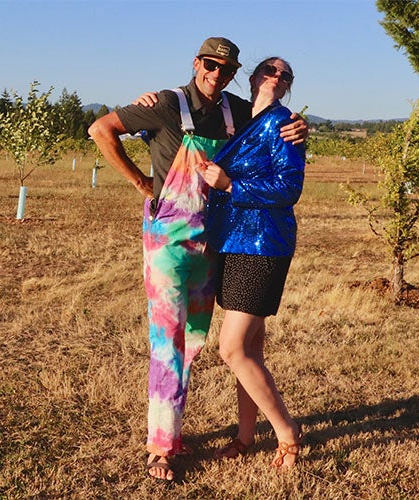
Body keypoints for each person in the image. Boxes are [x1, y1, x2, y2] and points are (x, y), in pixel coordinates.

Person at [87, 37, 307, 482]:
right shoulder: (166, 102)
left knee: (203, 342)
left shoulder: (237, 111)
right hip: (169, 242)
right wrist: (139, 181)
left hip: (217, 244)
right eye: (210, 65)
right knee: (167, 342)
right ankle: (162, 447)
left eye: (226, 70)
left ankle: (245, 435)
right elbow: (100, 130)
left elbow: (273, 127)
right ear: (196, 62)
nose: (216, 74)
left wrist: (302, 128)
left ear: (235, 75)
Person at [200, 57, 305, 468]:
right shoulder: (237, 117)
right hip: (231, 239)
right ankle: (245, 435)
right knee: (250, 351)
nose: (277, 77)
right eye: (270, 70)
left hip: (263, 244)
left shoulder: (285, 124)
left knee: (230, 348)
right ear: (254, 76)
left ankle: (287, 433)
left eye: (286, 75)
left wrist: (230, 184)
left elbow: (288, 187)